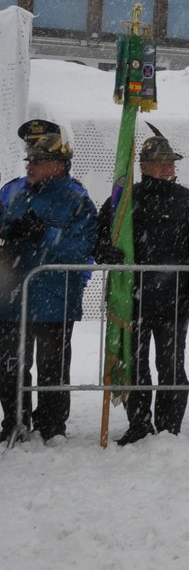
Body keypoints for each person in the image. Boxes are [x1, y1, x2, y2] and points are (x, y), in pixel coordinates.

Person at [95, 132, 189, 445]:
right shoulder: (122, 202)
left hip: (174, 303)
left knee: (171, 367)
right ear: (143, 166)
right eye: (157, 163)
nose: (164, 168)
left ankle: (168, 428)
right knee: (134, 366)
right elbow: (99, 237)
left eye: (169, 162)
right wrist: (103, 252)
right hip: (131, 302)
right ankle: (138, 424)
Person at [0, 128, 97, 443]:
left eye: (37, 161)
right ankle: (15, 423)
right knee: (11, 366)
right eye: (29, 160)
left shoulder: (76, 199)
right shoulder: (13, 193)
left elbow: (82, 248)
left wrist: (45, 235)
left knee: (53, 367)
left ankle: (52, 424)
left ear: (58, 164)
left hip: (56, 298)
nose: (30, 166)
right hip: (12, 297)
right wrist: (9, 232)